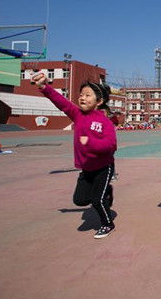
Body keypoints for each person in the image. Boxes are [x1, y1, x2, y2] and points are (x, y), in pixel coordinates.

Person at [34, 73, 117, 238]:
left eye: (88, 95)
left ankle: (108, 224)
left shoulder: (105, 122)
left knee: (97, 200)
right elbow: (62, 103)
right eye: (81, 95)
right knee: (80, 200)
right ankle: (107, 191)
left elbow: (111, 145)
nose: (82, 98)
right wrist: (44, 87)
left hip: (103, 167)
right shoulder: (77, 115)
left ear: (99, 101)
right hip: (86, 168)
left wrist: (91, 143)